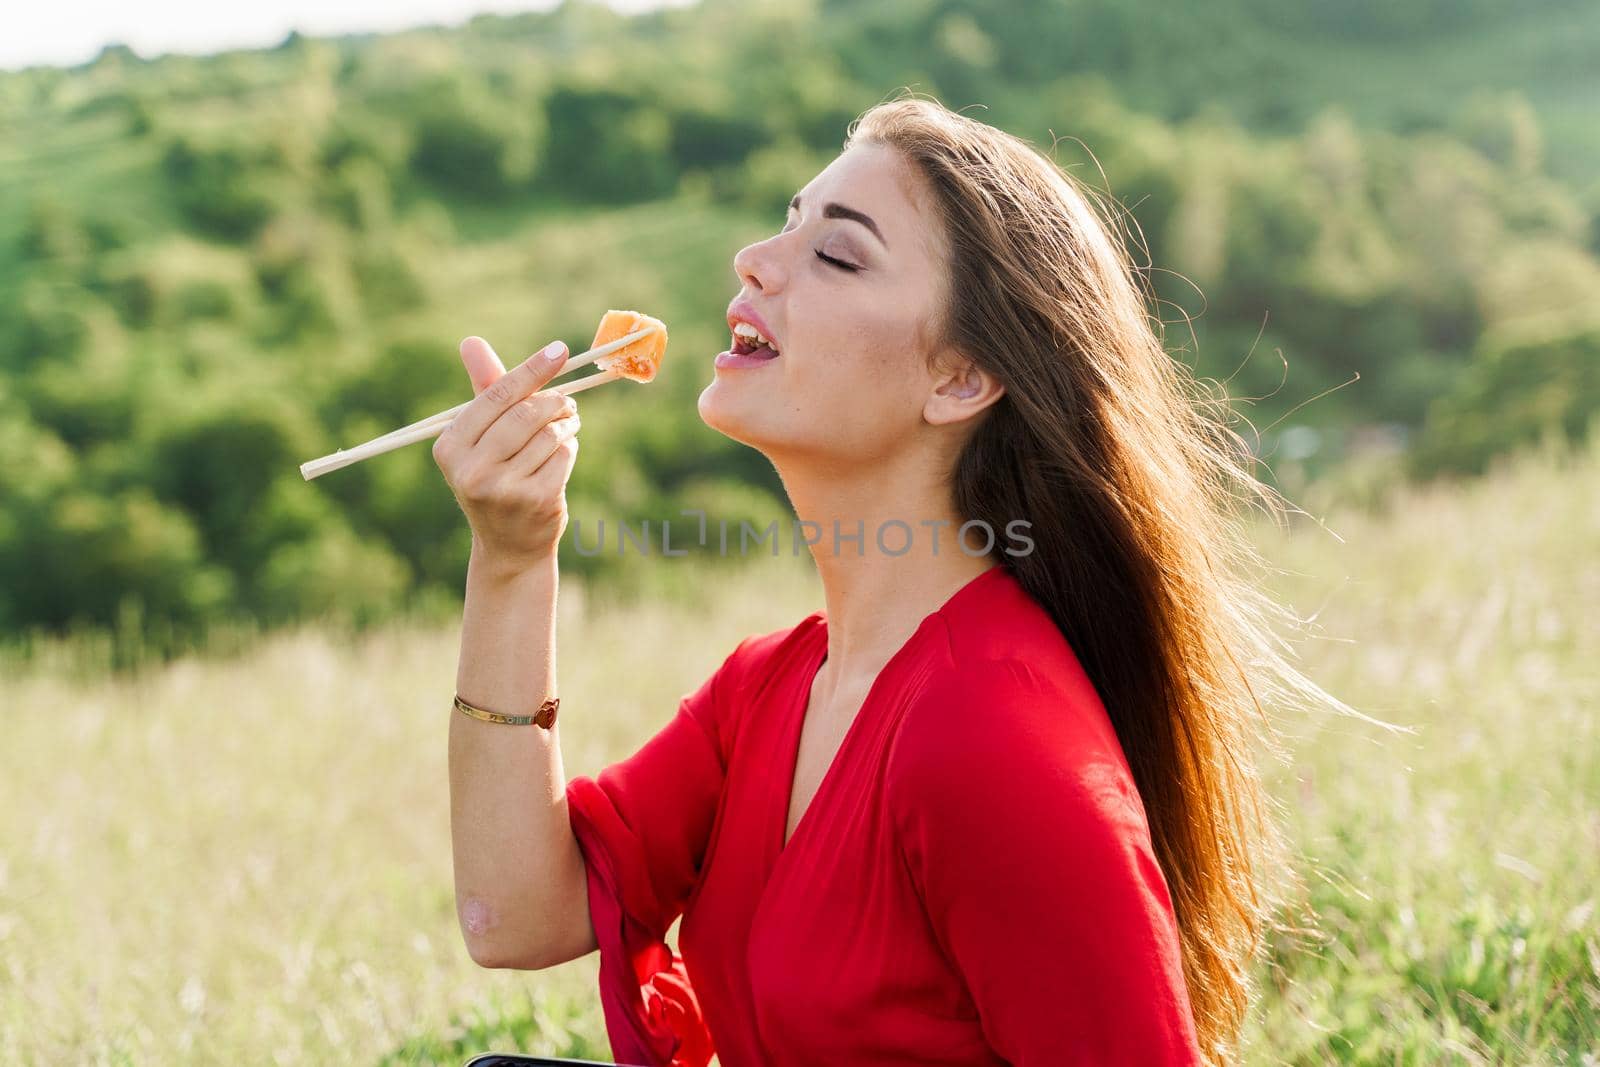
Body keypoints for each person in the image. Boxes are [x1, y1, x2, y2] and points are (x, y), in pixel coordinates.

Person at [433, 95, 1337, 1066]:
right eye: (788, 221)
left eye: (837, 253)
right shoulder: (772, 688)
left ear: (958, 378)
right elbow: (515, 913)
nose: (755, 258)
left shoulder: (991, 736)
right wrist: (514, 558)